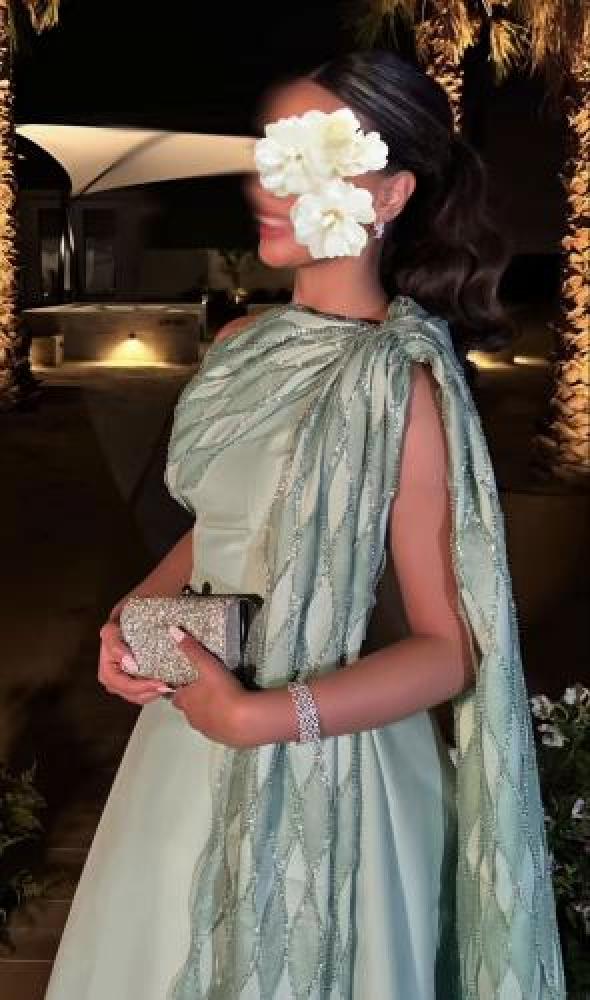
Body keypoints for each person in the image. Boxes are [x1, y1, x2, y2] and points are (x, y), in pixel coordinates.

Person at [44, 50, 566, 999]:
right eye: (268, 152)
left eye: (313, 156)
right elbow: (226, 525)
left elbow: (451, 649)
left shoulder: (400, 384)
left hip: (327, 759)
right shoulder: (238, 344)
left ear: (393, 192)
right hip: (188, 740)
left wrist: (261, 717)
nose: (269, 184)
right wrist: (132, 619)